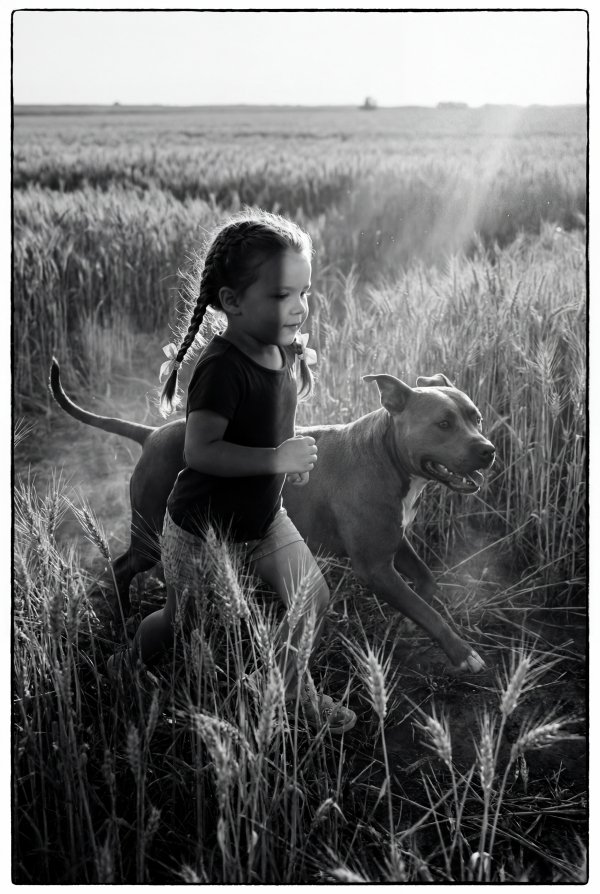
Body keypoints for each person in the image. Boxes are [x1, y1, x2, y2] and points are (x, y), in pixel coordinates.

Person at [109, 209, 356, 734]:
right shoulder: (220, 367)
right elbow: (201, 452)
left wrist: (289, 461)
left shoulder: (280, 349)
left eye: (304, 293)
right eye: (281, 296)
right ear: (231, 302)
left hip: (265, 519)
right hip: (201, 531)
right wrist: (275, 460)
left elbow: (271, 423)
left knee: (312, 601)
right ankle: (124, 665)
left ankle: (288, 697)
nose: (298, 307)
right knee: (178, 624)